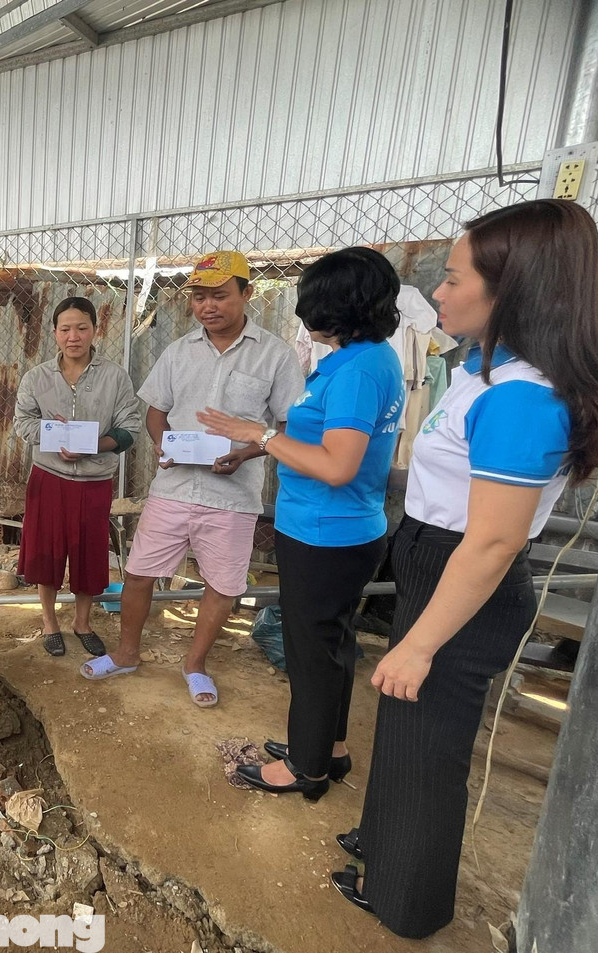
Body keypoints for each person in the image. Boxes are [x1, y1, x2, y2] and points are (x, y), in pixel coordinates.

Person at [328, 200, 598, 937]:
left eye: (454, 279)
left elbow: (491, 543)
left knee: (428, 750)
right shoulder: (487, 369)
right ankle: (382, 844)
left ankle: (406, 900)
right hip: (436, 562)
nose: (440, 294)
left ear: (512, 289)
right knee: (402, 722)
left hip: (466, 583)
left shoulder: (522, 398)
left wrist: (421, 641)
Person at [197, 247, 405, 801]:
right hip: (342, 529)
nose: (302, 315)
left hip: (324, 530)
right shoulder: (368, 358)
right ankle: (328, 750)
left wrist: (259, 435)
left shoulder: (358, 370)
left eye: (311, 303)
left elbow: (338, 465)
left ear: (339, 306)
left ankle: (305, 770)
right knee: (331, 645)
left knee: (311, 653)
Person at [80, 251, 304, 704]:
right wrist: (163, 444)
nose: (208, 306)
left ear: (247, 293)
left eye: (219, 295)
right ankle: (127, 653)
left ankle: (195, 663)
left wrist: (247, 452)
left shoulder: (276, 357)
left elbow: (286, 426)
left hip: (234, 495)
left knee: (222, 586)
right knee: (140, 571)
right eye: (200, 298)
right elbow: (156, 411)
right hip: (174, 489)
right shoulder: (178, 352)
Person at [13, 297, 141, 657]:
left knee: (88, 555)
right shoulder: (36, 377)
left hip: (94, 481)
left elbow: (130, 429)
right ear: (54, 333)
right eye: (65, 329)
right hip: (48, 478)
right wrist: (54, 433)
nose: (74, 336)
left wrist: (93, 445)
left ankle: (82, 622)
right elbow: (22, 422)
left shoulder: (115, 376)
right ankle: (50, 622)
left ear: (94, 330)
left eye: (82, 327)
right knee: (46, 553)